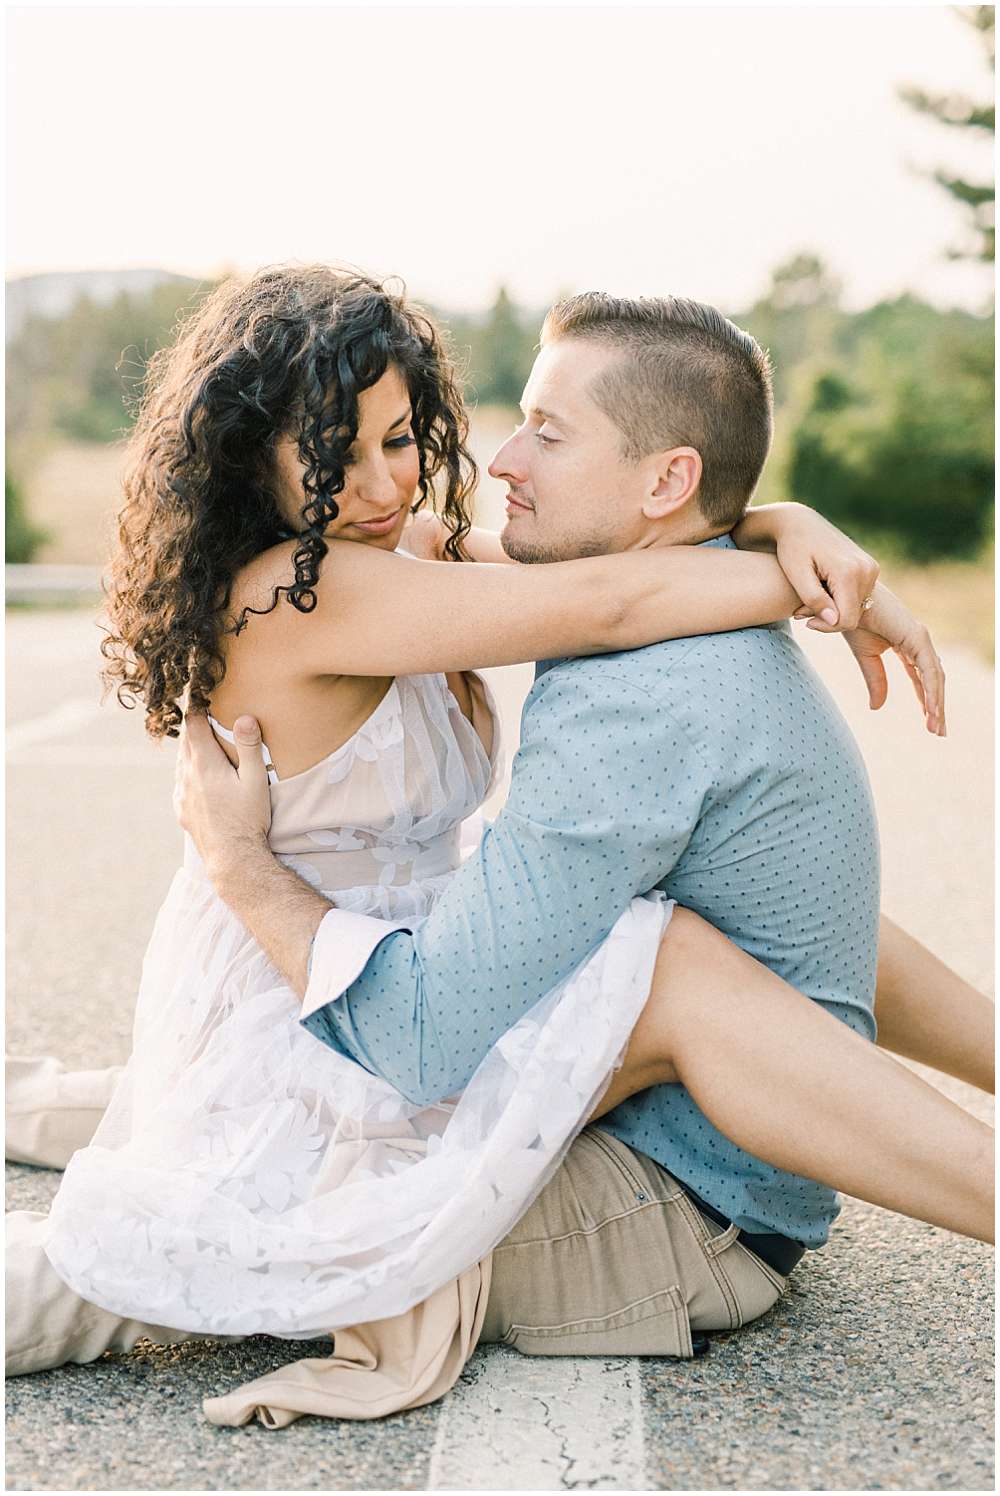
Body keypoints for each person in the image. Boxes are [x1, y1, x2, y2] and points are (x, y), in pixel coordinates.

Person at [6, 270, 990, 1427]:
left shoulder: (400, 545)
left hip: (385, 971)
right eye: (334, 453)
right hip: (316, 986)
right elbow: (612, 600)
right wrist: (790, 568)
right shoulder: (300, 592)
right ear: (249, 455)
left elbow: (605, 568)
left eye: (399, 437)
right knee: (171, 1235)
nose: (383, 481)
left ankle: (42, 1108)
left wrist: (777, 523)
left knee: (154, 1115)